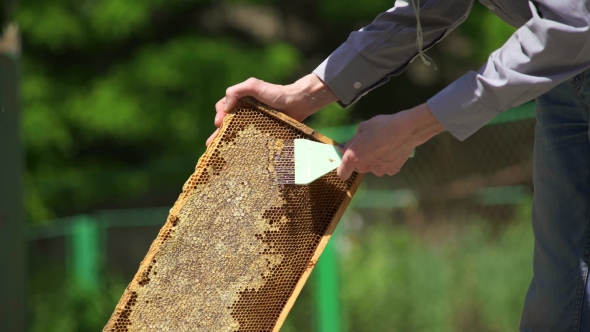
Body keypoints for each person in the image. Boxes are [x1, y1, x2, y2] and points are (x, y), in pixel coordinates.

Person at [208, 0, 590, 330]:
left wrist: (413, 127)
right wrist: (304, 95)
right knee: (562, 294)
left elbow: (570, 23)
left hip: (566, 53)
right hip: (564, 81)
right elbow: (424, 11)